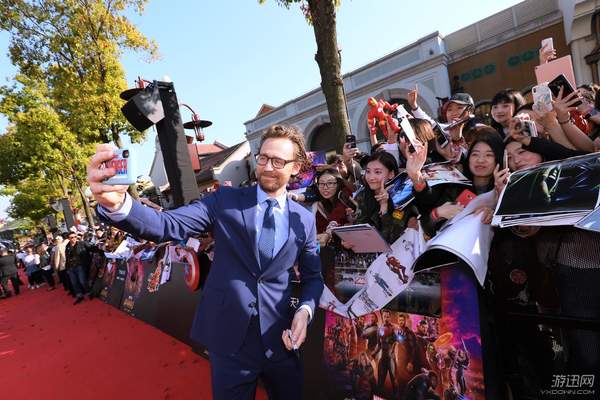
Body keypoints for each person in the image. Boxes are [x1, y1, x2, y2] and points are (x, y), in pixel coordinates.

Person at [87, 124, 324, 400]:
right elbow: (168, 224)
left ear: (296, 167)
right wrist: (118, 206)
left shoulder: (304, 219)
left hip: (281, 339)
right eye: (263, 158)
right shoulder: (225, 200)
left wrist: (304, 312)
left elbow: (313, 278)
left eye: (279, 161)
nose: (268, 167)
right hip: (229, 338)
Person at [65, 231, 99, 304]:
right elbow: (67, 258)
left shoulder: (82, 243)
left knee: (82, 281)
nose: (74, 238)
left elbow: (92, 248)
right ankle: (79, 296)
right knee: (74, 283)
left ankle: (89, 293)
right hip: (71, 267)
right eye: (72, 237)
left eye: (75, 237)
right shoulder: (67, 247)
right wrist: (67, 268)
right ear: (68, 239)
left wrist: (102, 250)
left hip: (80, 266)